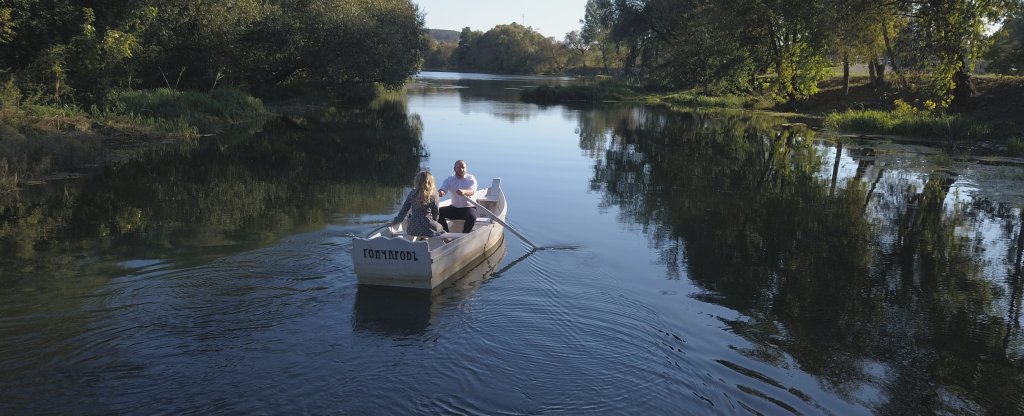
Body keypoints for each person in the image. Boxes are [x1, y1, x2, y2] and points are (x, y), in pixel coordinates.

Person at [388, 171, 446, 240]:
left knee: (415, 229)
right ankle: (447, 243)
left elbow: (403, 211)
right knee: (441, 230)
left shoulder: (412, 192)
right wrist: (434, 223)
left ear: (417, 181)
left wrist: (395, 222)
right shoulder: (435, 194)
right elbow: (435, 214)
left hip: (413, 228)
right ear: (431, 182)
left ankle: (422, 239)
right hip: (428, 227)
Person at [438, 159, 478, 233]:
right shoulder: (449, 179)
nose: (461, 169)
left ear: (466, 168)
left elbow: (472, 191)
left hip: (468, 208)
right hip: (454, 208)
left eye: (463, 167)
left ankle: (464, 236)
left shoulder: (471, 178)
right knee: (438, 212)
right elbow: (443, 189)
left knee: (472, 217)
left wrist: (464, 191)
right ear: (454, 169)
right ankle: (446, 234)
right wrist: (441, 192)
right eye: (459, 167)